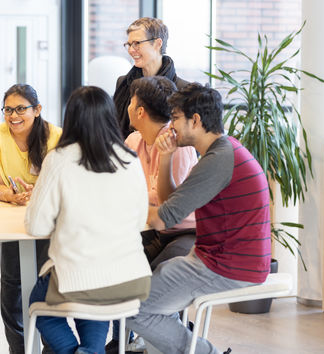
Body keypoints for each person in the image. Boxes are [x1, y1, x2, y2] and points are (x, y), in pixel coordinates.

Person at [126, 83, 271, 354]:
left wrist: (119, 206)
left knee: (134, 309)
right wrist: (167, 158)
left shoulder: (218, 160)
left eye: (176, 118)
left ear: (196, 120)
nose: (171, 126)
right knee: (153, 294)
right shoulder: (222, 152)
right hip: (218, 259)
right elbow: (172, 205)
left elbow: (163, 219)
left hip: (227, 267)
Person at [25, 86, 152, 354]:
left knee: (39, 305)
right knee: (94, 303)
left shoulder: (59, 159)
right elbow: (140, 220)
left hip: (78, 278)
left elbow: (36, 225)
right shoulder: (129, 159)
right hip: (129, 279)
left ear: (71, 118)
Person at [108, 76, 199, 354]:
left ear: (139, 111)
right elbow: (115, 183)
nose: (127, 106)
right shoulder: (134, 139)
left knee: (154, 286)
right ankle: (126, 342)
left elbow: (168, 203)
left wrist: (135, 198)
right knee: (114, 272)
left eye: (131, 101)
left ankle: (178, 342)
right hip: (151, 229)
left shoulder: (176, 144)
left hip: (185, 232)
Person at [0, 83, 62, 353]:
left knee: (46, 284)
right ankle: (18, 349)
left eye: (20, 109)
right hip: (7, 218)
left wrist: (38, 189)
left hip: (47, 220)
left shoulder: (54, 135)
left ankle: (51, 347)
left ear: (37, 110)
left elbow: (61, 180)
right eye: (8, 110)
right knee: (12, 287)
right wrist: (10, 196)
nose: (13, 116)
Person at [113, 17, 188, 139]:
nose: (131, 50)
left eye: (137, 43)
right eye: (129, 44)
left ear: (158, 44)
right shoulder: (123, 83)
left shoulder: (183, 90)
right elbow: (113, 128)